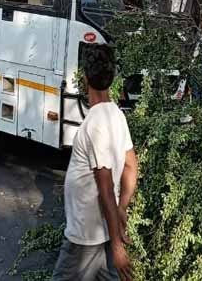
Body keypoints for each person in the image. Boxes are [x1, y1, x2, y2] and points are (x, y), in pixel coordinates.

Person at [53, 44, 138, 281]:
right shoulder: (116, 114)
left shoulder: (95, 124)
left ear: (85, 77)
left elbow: (105, 188)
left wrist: (118, 248)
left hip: (85, 237)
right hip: (102, 231)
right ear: (112, 78)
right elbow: (131, 166)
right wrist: (122, 208)